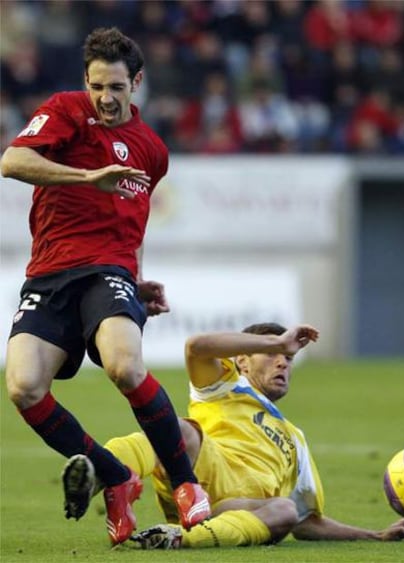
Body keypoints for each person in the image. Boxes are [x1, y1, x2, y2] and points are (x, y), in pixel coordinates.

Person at [0, 27, 210, 546]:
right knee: (23, 388)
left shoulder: (152, 152)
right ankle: (116, 478)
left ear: (136, 83)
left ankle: (186, 483)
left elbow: (132, 223)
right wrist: (87, 177)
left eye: (116, 87)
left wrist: (136, 282)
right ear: (85, 83)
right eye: (97, 86)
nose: (105, 98)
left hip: (107, 272)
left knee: (123, 364)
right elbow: (11, 161)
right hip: (48, 275)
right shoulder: (67, 110)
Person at [65, 322, 404, 549]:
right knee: (179, 430)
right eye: (273, 355)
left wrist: (375, 534)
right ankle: (102, 471)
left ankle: (177, 540)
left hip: (239, 510)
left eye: (288, 360)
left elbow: (309, 523)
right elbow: (197, 346)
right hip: (192, 482)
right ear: (242, 362)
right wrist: (277, 339)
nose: (283, 364)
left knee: (285, 510)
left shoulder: (296, 439)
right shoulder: (225, 386)